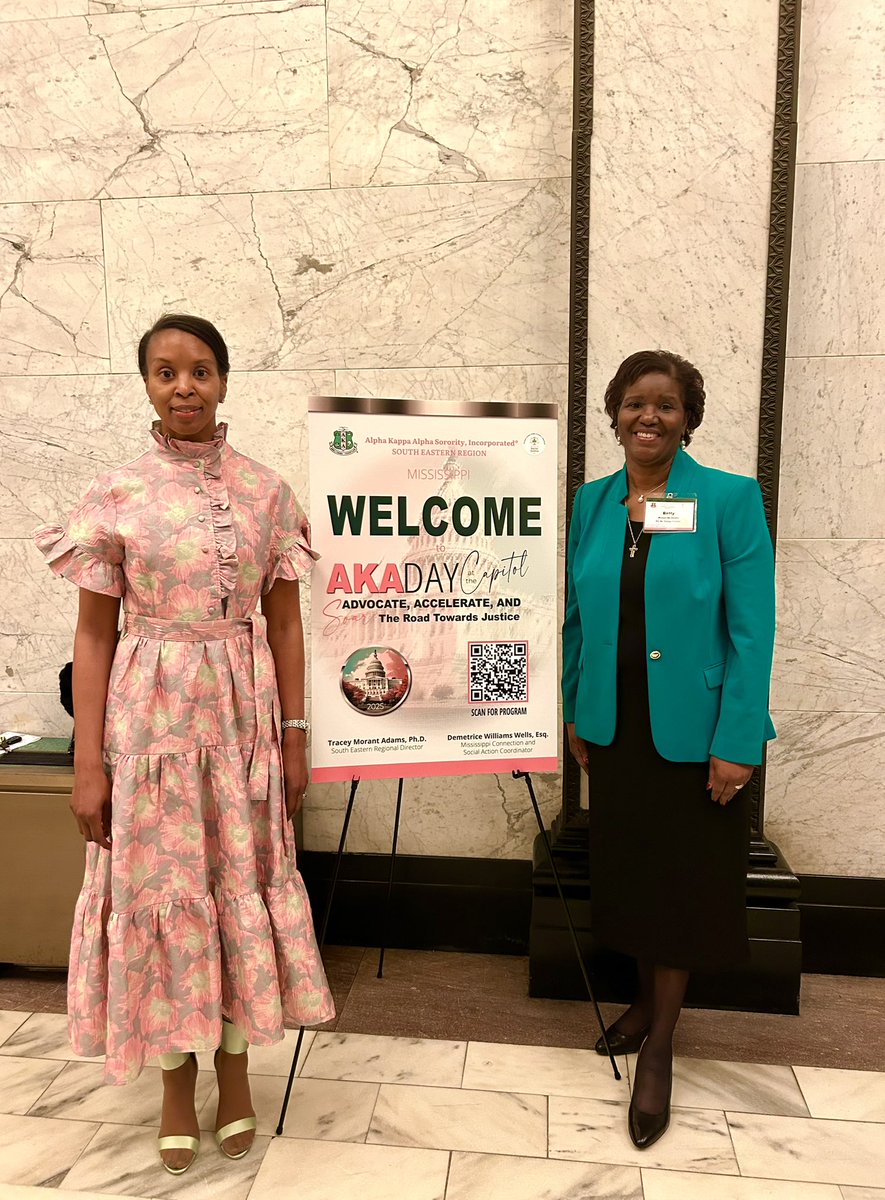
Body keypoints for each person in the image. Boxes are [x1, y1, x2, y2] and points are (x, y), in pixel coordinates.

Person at [34, 314, 335, 1174]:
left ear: (225, 380)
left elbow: (285, 623)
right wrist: (87, 763)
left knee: (237, 882)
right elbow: (93, 638)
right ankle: (173, 1080)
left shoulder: (267, 491)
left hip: (242, 727)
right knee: (161, 894)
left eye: (200, 370)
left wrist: (297, 734)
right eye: (165, 372)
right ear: (145, 384)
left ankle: (235, 1071)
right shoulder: (116, 493)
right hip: (148, 734)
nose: (184, 387)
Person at [562, 350, 776, 1149]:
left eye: (666, 406)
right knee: (633, 870)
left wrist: (738, 741)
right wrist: (576, 710)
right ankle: (647, 1002)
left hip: (695, 737)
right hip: (614, 729)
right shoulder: (594, 502)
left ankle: (660, 1044)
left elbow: (752, 630)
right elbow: (579, 617)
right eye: (633, 404)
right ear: (612, 413)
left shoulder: (723, 499)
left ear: (687, 419)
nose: (647, 418)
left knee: (684, 882)